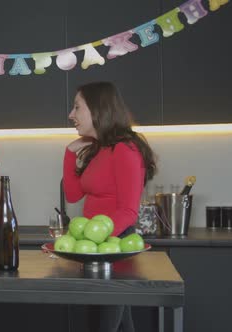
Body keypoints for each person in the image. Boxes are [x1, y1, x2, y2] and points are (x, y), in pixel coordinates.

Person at [63, 81, 157, 332]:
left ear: (97, 109)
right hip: (96, 248)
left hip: (112, 245)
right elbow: (73, 195)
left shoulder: (125, 149)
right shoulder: (99, 149)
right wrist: (70, 153)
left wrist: (96, 242)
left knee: (104, 324)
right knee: (118, 323)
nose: (71, 115)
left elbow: (128, 211)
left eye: (76, 107)